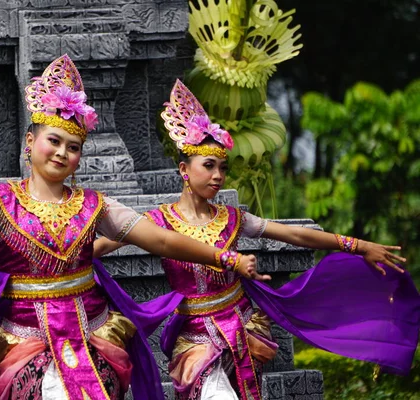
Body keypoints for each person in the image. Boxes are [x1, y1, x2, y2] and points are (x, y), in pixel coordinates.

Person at [0, 57, 269, 400]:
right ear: (30, 143)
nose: (63, 152)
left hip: (92, 339)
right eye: (54, 141)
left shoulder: (93, 205)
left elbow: (160, 239)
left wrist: (225, 257)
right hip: (28, 345)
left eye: (74, 147)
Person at [94, 80, 420, 400]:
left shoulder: (233, 219)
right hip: (193, 337)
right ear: (184, 169)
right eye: (208, 166)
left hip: (242, 327)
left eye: (222, 167)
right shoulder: (157, 222)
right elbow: (98, 248)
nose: (218, 176)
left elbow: (293, 233)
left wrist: (358, 246)